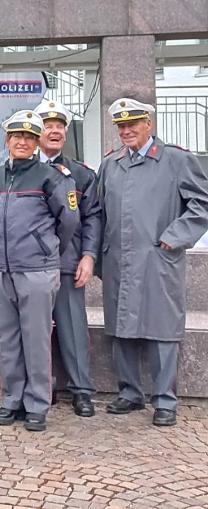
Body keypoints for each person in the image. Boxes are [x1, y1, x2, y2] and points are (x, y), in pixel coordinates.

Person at [97, 98, 208, 427]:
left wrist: (174, 237)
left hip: (158, 258)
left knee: (161, 329)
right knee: (122, 328)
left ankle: (164, 400)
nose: (127, 130)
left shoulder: (176, 159)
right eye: (121, 126)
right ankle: (130, 392)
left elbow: (201, 204)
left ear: (149, 124)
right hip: (118, 258)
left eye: (133, 123)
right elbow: (97, 211)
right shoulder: (111, 164)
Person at [0, 110, 78, 432]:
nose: (22, 141)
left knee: (36, 340)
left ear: (36, 142)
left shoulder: (51, 177)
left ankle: (37, 403)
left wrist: (44, 248)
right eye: (16, 136)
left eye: (28, 137)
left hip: (36, 270)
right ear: (7, 140)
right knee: (6, 338)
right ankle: (12, 399)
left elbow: (69, 222)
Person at [33, 100, 101, 417]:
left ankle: (81, 390)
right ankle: (40, 389)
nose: (55, 130)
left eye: (60, 126)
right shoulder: (21, 168)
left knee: (73, 327)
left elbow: (93, 219)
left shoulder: (82, 174)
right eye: (48, 125)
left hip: (68, 263)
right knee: (33, 329)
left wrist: (88, 256)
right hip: (30, 266)